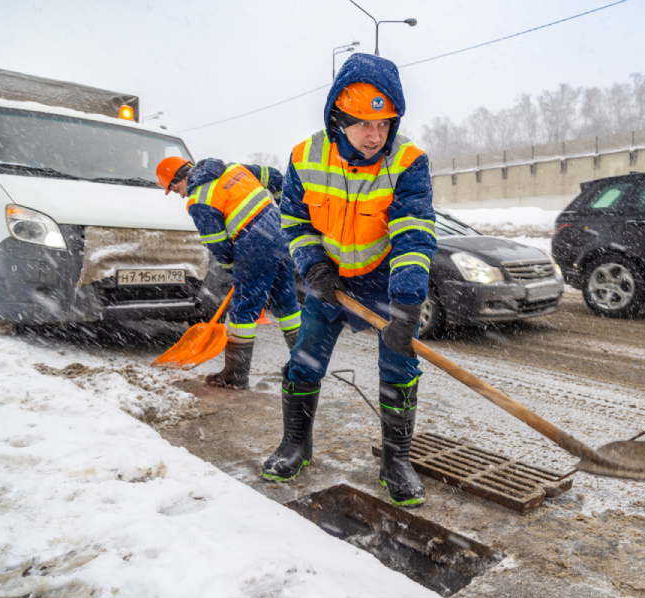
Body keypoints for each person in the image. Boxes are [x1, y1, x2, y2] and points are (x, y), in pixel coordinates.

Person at [262, 54, 437, 507]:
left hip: (383, 279)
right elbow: (296, 223)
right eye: (364, 124)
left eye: (384, 124)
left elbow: (413, 235)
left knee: (400, 368)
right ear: (338, 119)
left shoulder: (408, 161)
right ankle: (295, 445)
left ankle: (396, 462)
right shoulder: (305, 158)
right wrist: (314, 267)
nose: (376, 136)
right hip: (330, 278)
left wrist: (406, 305)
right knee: (304, 362)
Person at [156, 157, 301, 390]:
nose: (181, 195)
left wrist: (231, 266)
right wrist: (281, 210)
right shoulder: (234, 169)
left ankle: (235, 375)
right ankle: (304, 364)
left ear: (180, 178)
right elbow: (276, 177)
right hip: (280, 239)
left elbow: (217, 242)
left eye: (175, 190)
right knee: (287, 305)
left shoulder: (199, 200)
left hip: (254, 247)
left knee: (244, 310)